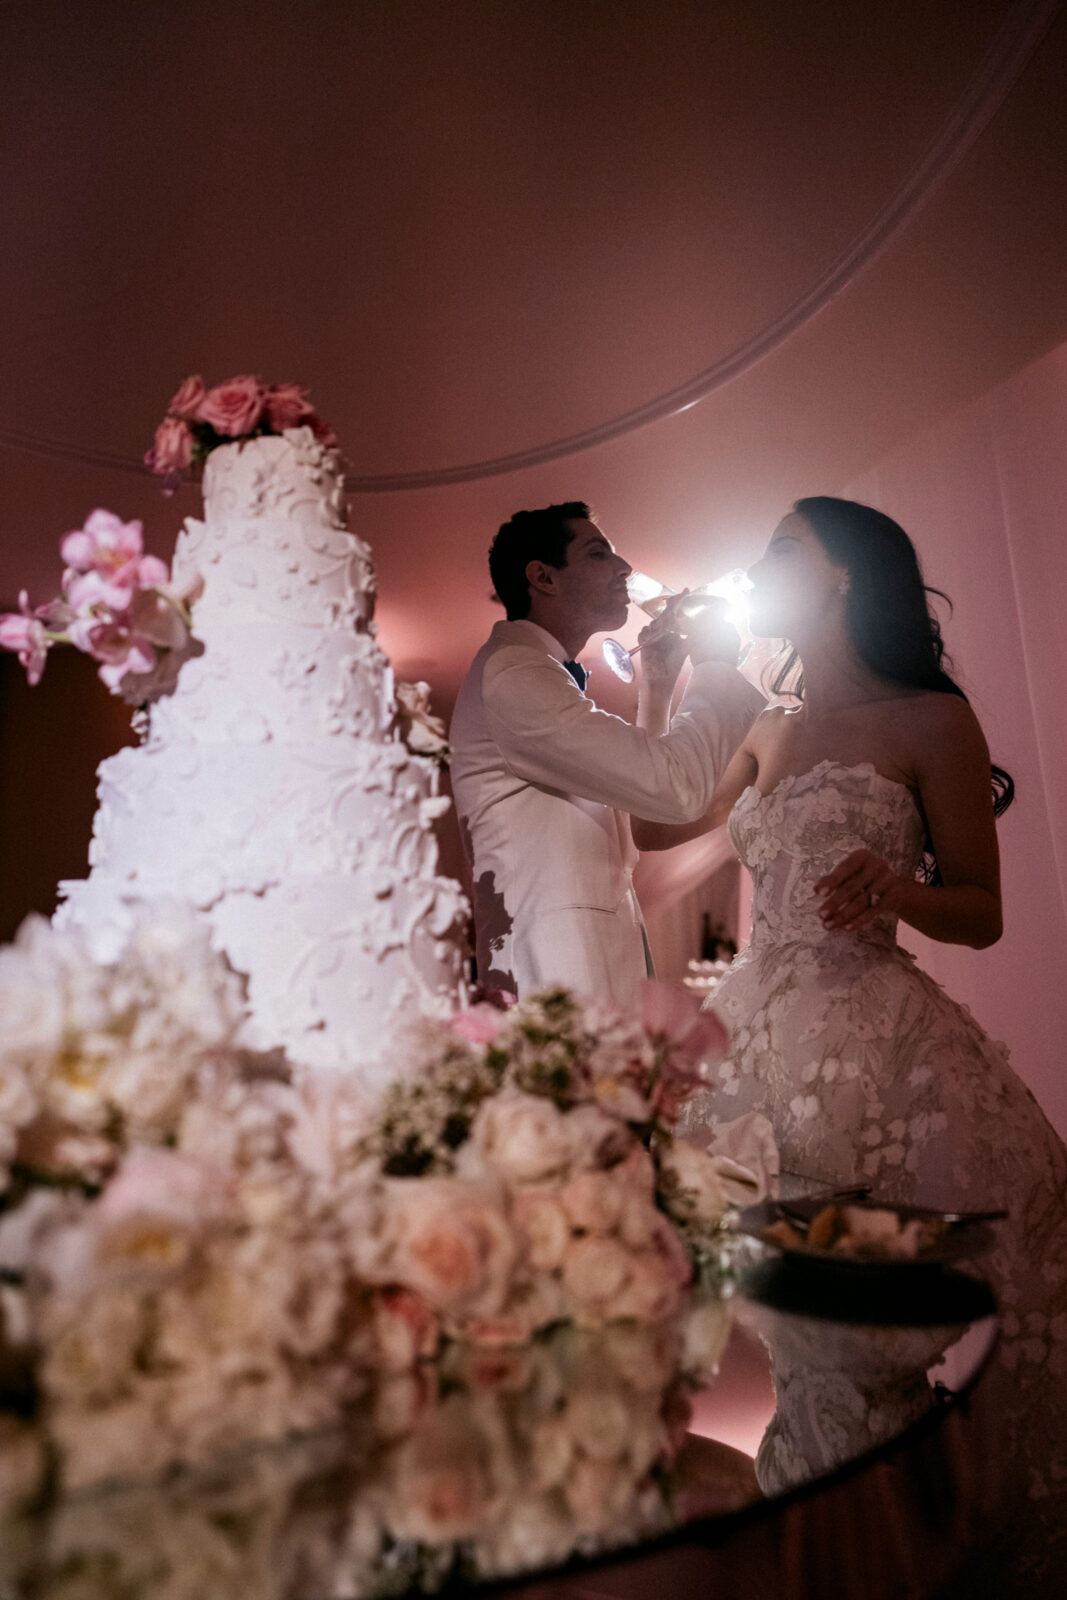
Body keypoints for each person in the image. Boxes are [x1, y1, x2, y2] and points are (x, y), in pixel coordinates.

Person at [632, 495, 1067, 1586]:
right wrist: (657, 685)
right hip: (751, 1050)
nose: (764, 559)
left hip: (872, 1056)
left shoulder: (929, 719)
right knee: (789, 1324)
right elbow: (654, 841)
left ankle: (874, 1551)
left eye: (783, 546)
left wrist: (897, 890)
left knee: (858, 1336)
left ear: (839, 576)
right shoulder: (762, 723)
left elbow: (980, 907)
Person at [449, 501, 763, 1005]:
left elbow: (643, 810)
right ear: (543, 577)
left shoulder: (534, 675)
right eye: (599, 554)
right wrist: (715, 664)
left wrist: (657, 687)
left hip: (588, 954)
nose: (624, 570)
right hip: (557, 967)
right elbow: (677, 789)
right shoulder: (516, 677)